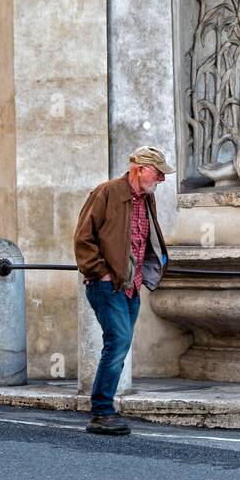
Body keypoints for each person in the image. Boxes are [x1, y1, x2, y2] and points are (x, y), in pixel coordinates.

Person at [73, 144, 172, 435]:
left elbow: (143, 242)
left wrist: (144, 275)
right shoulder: (106, 193)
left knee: (120, 344)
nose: (162, 180)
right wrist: (99, 272)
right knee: (117, 343)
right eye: (158, 173)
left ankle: (103, 409)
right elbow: (83, 238)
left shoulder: (145, 199)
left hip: (132, 285)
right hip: (108, 285)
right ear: (138, 169)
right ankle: (101, 411)